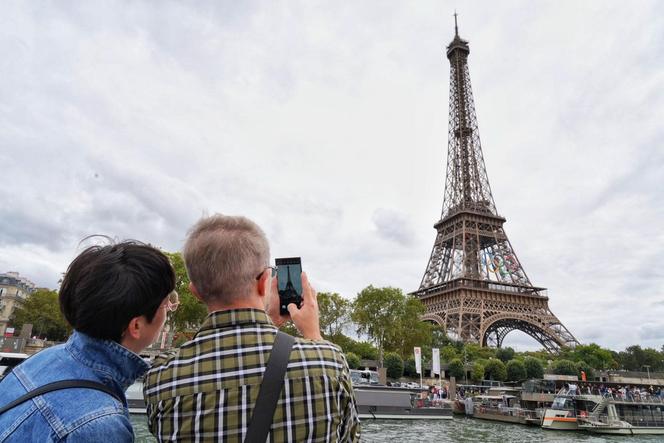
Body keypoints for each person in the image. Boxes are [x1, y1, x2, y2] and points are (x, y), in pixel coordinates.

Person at [144, 214, 360, 442]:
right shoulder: (328, 362)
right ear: (264, 280)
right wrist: (314, 338)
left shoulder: (161, 377)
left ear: (195, 291)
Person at [0, 241, 176, 442]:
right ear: (135, 326)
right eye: (166, 304)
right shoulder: (100, 426)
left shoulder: (39, 361)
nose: (170, 308)